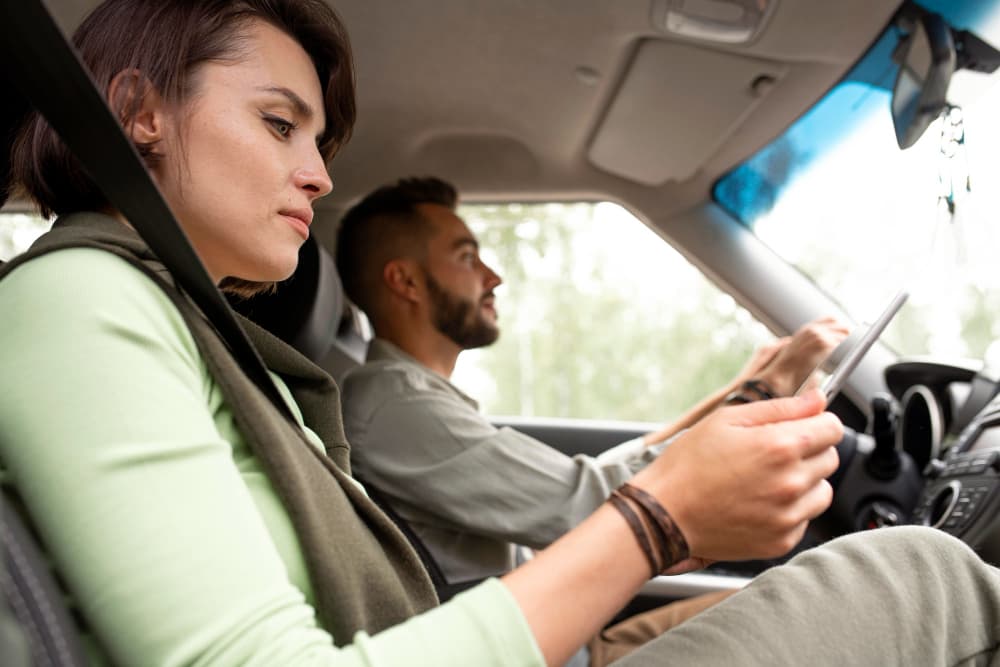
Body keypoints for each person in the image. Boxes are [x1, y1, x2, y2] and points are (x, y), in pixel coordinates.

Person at [2, 2, 1000, 667]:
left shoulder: (201, 337)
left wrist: (707, 448)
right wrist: (658, 518)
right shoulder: (82, 299)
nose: (318, 175)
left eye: (319, 141)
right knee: (918, 572)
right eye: (279, 124)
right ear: (137, 112)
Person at [336, 176, 849, 587]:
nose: (493, 277)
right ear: (404, 281)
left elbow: (590, 479)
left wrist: (742, 387)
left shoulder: (411, 397)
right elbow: (593, 503)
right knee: (833, 595)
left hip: (566, 638)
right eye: (467, 258)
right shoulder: (397, 406)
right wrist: (768, 389)